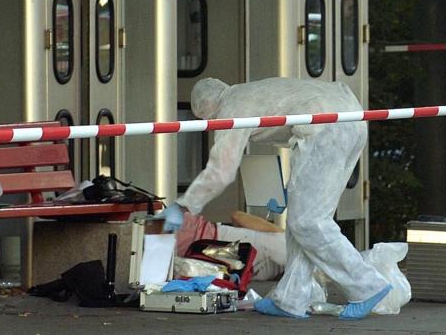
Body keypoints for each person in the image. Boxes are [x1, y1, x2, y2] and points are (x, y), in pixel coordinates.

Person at [156, 77, 391, 319]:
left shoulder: (229, 109)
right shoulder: (246, 92)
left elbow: (222, 170)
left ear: (206, 111)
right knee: (302, 222)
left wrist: (183, 205)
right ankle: (291, 299)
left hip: (324, 127)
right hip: (350, 117)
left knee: (308, 222)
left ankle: (367, 285)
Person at [173, 211, 286, 281]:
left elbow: (237, 216)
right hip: (204, 262)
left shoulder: (281, 236)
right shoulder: (279, 273)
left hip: (205, 234)